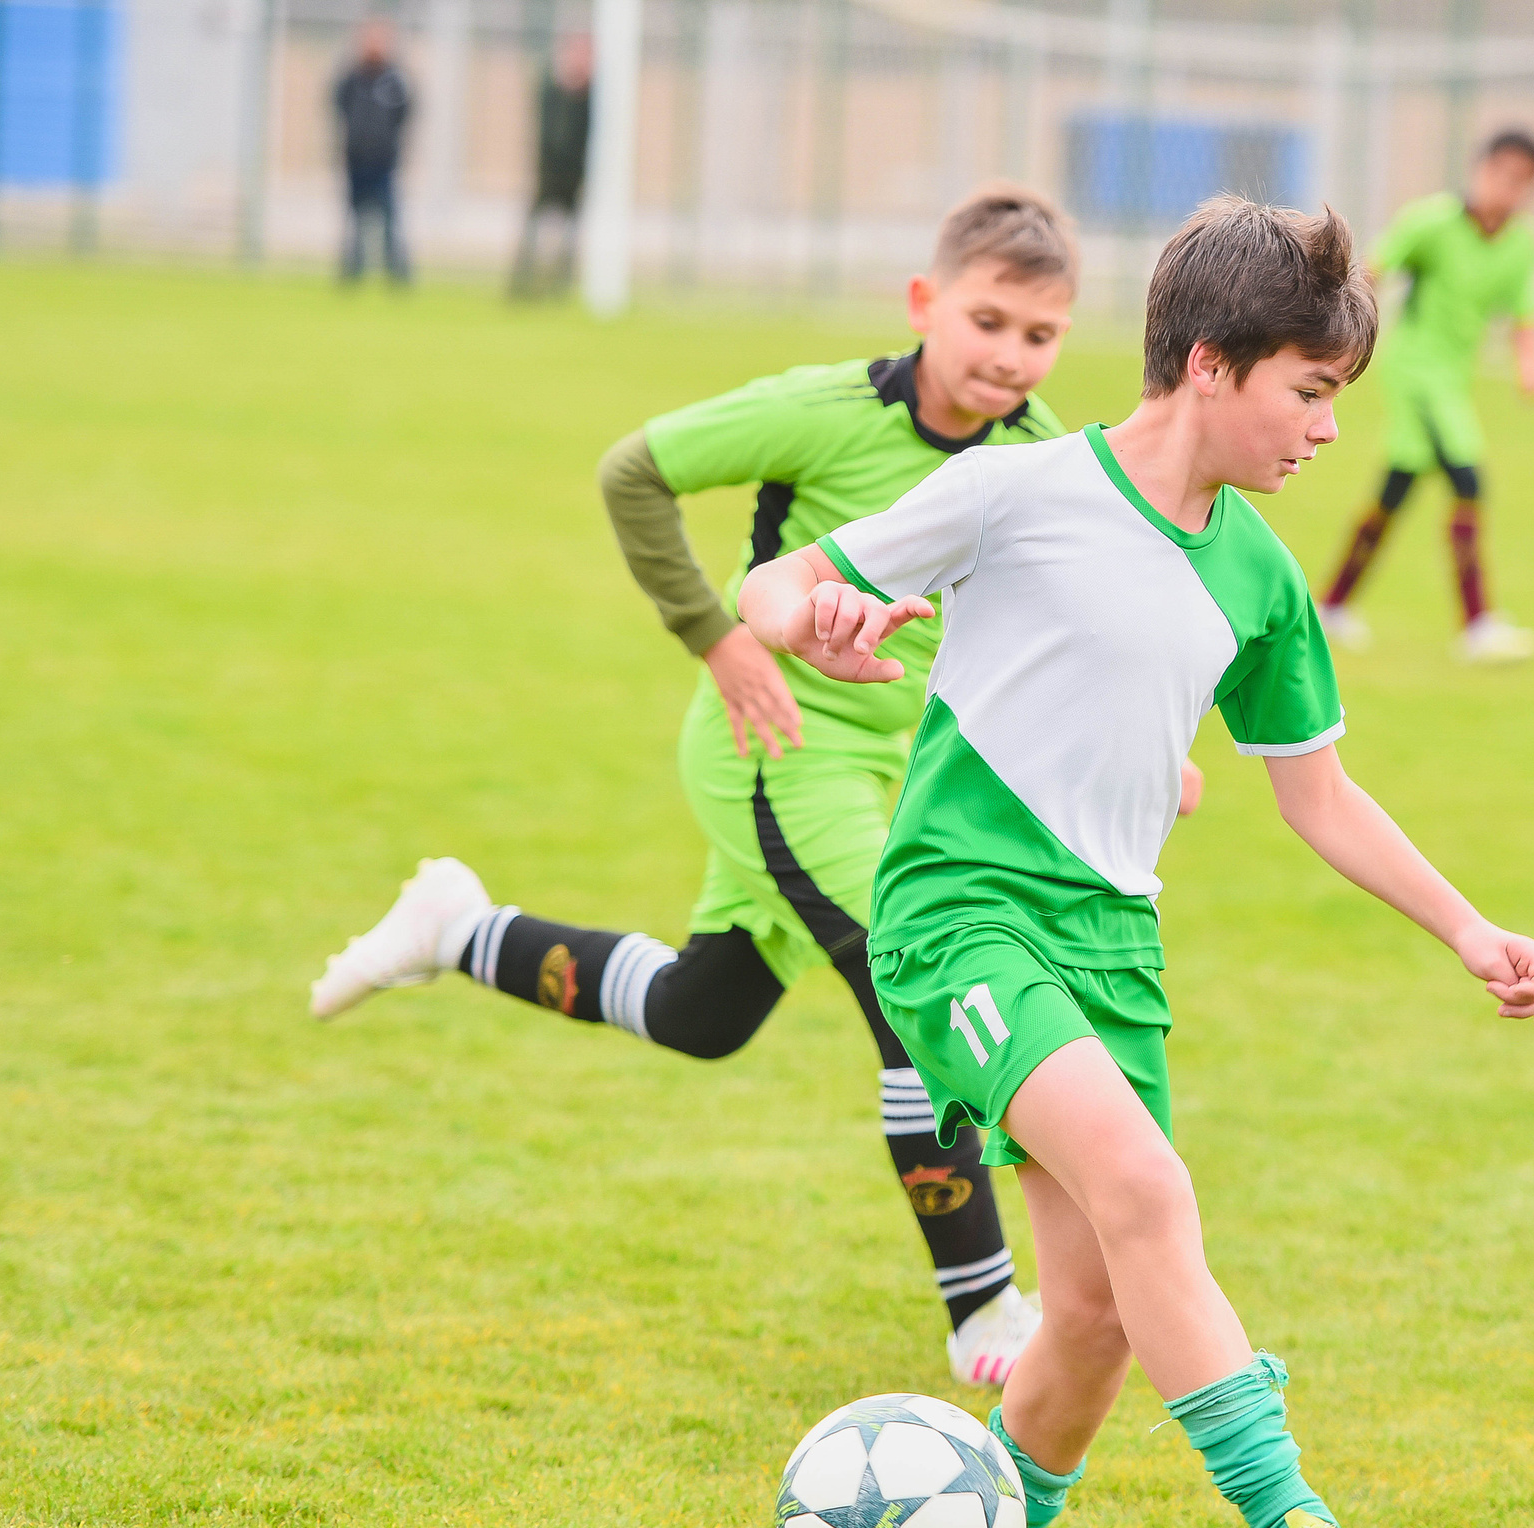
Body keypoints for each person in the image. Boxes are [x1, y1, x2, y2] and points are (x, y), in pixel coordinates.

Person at [737, 195, 1534, 1528]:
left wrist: (1469, 928)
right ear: (1209, 365)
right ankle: (1292, 1525)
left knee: (1102, 1313)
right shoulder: (1017, 491)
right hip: (960, 917)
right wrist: (817, 622)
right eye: (1309, 394)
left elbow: (1322, 797)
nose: (1323, 432)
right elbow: (784, 582)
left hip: (1115, 946)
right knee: (1153, 1189)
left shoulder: (1260, 577)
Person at [312, 188, 1135, 1391]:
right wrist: (717, 633)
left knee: (707, 1010)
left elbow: (1082, 598)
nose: (1010, 357)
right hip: (775, 748)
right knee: (921, 979)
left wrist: (1137, 738)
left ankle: (460, 928)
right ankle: (982, 1307)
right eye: (987, 320)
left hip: (890, 777)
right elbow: (633, 470)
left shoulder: (1032, 450)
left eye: (1039, 335)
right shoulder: (819, 412)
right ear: (923, 303)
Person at [1317, 129, 1534, 664]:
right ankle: (1477, 622)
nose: (1507, 188)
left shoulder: (1522, 243)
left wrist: (1531, 366)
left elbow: (1526, 316)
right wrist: (1342, 338)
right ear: (1479, 168)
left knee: (1395, 490)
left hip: (1453, 382)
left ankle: (1331, 606)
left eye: (1521, 181)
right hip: (1416, 373)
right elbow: (1370, 272)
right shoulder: (1432, 222)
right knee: (1468, 479)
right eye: (1500, 173)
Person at [508, 32, 590, 301]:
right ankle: (521, 285)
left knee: (568, 236)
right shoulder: (551, 88)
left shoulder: (594, 96)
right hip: (548, 173)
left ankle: (558, 288)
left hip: (576, 176)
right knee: (534, 230)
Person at [334, 19, 412, 286]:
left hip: (384, 161)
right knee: (355, 219)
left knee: (390, 219)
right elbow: (339, 108)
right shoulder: (351, 80)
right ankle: (353, 273)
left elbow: (405, 114)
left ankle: (396, 274)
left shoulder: (394, 82)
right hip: (356, 159)